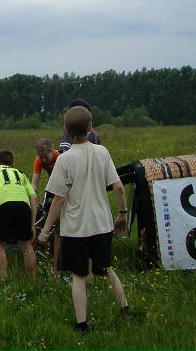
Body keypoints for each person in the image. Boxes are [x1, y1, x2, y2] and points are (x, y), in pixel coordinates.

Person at [37, 105, 131, 333]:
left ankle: (82, 325)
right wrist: (122, 215)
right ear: (90, 128)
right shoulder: (102, 152)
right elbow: (118, 187)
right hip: (101, 225)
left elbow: (58, 199)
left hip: (75, 229)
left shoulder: (65, 160)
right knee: (106, 269)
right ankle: (126, 310)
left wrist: (45, 230)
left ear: (66, 131)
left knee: (79, 277)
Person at [0, 150, 38, 281]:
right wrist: (32, 224)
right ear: (13, 164)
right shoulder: (20, 174)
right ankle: (32, 279)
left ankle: (3, 279)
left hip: (3, 205)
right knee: (26, 244)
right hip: (24, 205)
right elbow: (33, 197)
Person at [31, 137, 61, 274]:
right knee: (46, 210)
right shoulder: (39, 160)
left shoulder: (60, 158)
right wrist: (32, 197)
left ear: (52, 151)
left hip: (64, 186)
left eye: (45, 157)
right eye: (41, 157)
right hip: (52, 186)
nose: (43, 160)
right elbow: (35, 183)